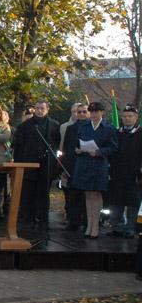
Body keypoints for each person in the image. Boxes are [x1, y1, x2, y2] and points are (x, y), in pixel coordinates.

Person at [71, 102, 117, 238]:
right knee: (87, 194)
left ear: (102, 112)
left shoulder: (108, 128)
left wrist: (99, 152)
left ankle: (95, 225)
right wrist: (78, 149)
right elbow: (77, 143)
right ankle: (89, 224)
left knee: (96, 194)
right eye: (92, 112)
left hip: (98, 164)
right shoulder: (84, 126)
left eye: (96, 112)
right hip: (84, 163)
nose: (94, 114)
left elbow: (113, 148)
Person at [12, 100, 61, 228]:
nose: (39, 111)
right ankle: (27, 217)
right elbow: (18, 147)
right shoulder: (25, 126)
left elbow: (56, 144)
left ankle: (43, 218)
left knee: (43, 192)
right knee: (28, 192)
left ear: (47, 109)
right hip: (28, 164)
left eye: (42, 108)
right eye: (37, 108)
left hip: (47, 164)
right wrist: (18, 164)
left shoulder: (54, 125)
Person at [108, 104, 142, 238]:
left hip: (134, 174)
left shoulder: (140, 133)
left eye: (130, 116)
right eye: (125, 116)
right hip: (117, 173)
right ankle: (117, 227)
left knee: (133, 203)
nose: (127, 119)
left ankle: (130, 228)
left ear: (136, 117)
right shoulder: (117, 133)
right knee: (116, 202)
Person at [61, 104, 89, 231]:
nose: (82, 114)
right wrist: (65, 168)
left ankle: (87, 222)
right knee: (73, 196)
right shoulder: (71, 128)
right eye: (79, 112)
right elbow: (66, 148)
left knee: (86, 196)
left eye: (84, 111)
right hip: (72, 166)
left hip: (87, 166)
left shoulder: (93, 127)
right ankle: (74, 221)